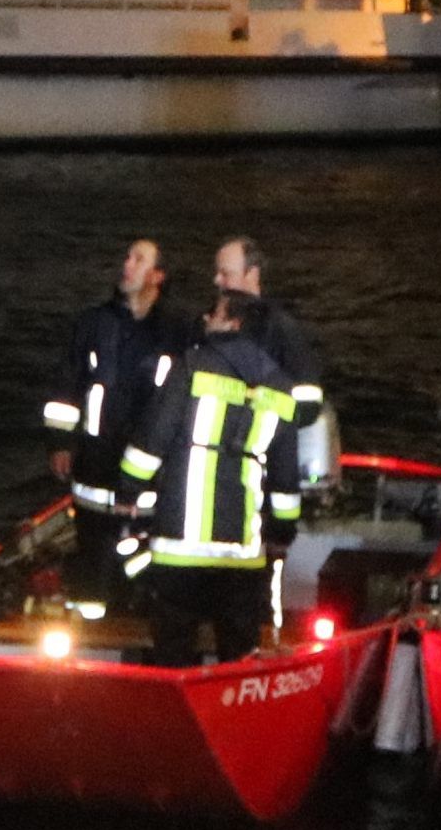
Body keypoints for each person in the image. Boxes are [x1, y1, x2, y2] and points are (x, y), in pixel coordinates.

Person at [118, 288, 303, 665]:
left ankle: (175, 719)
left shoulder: (192, 366)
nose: (206, 318)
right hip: (243, 556)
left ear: (234, 323)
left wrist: (129, 489)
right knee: (238, 658)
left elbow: (152, 440)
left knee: (173, 653)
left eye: (214, 313)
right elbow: (285, 481)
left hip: (180, 549)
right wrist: (282, 534)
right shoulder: (282, 390)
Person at [43, 238, 185, 607]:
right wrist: (60, 442)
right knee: (92, 568)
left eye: (138, 259)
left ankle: (140, 624)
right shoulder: (94, 323)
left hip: (149, 483)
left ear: (157, 275)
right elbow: (67, 385)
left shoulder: (177, 332)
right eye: (126, 256)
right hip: (93, 471)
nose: (127, 264)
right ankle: (90, 640)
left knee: (144, 569)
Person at [209, 234, 333, 484]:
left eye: (226, 273)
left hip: (263, 463)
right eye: (217, 273)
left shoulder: (281, 329)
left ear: (252, 274)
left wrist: (259, 428)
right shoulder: (207, 325)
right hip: (213, 458)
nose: (217, 280)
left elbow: (308, 402)